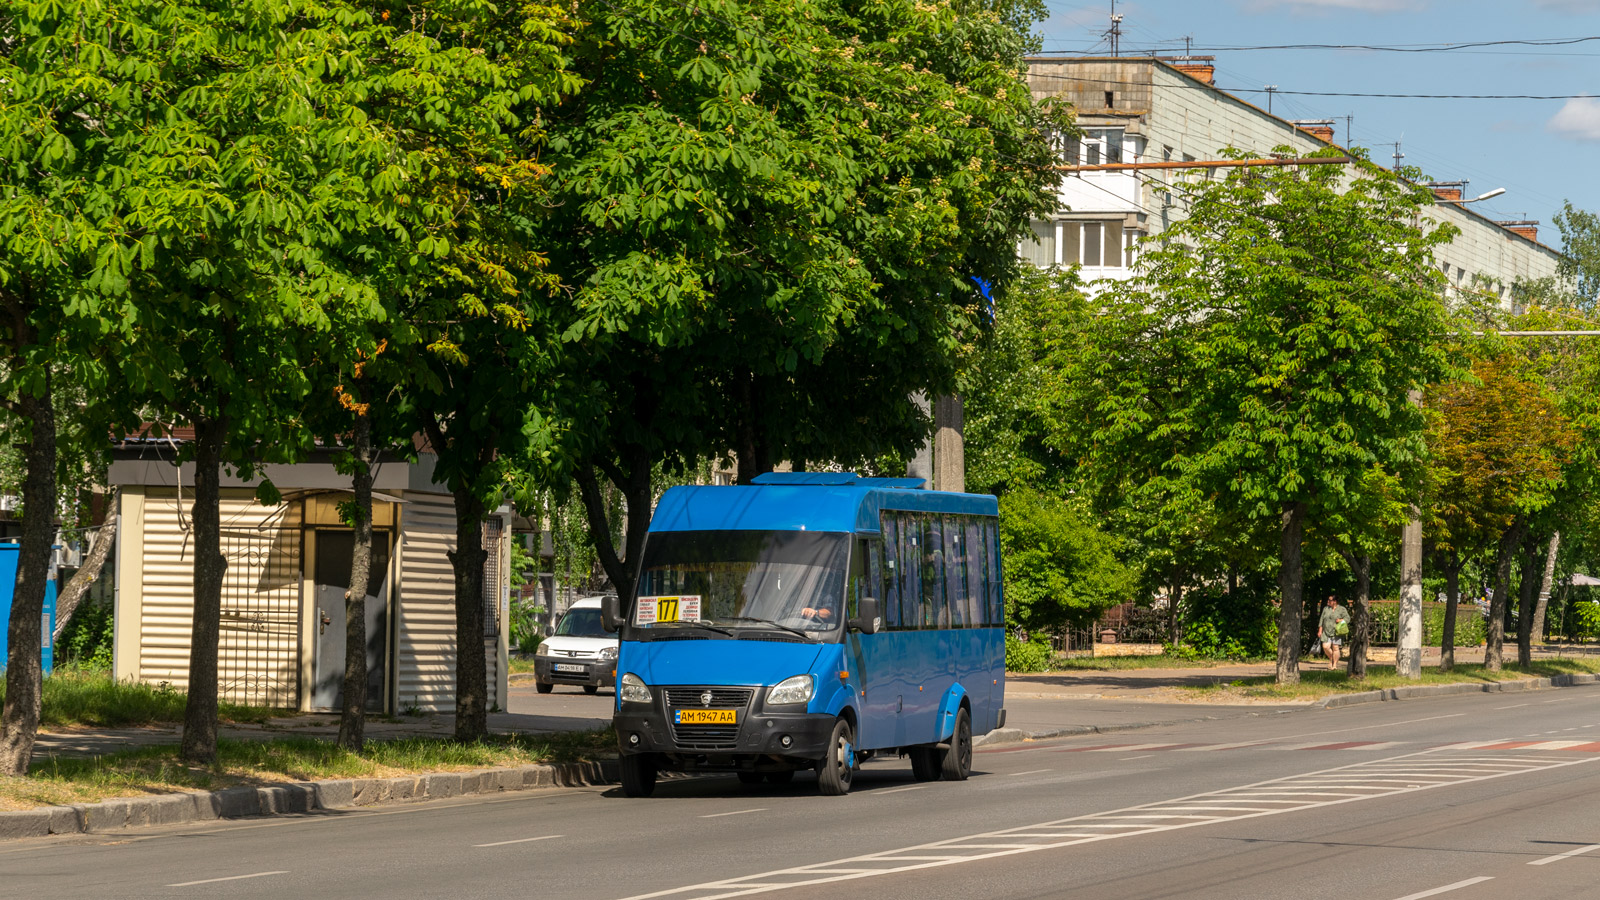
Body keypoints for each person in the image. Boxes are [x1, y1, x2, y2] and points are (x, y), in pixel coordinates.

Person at [1317, 595, 1350, 671]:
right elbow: (1321, 620)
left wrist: (1341, 620)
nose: (1328, 601)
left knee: (1335, 648)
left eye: (1330, 600)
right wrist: (1320, 630)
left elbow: (1348, 619)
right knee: (1325, 647)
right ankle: (1331, 657)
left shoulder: (1341, 609)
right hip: (1326, 631)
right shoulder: (1326, 609)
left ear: (1335, 601)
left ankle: (1334, 664)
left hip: (1336, 631)